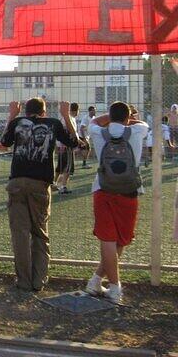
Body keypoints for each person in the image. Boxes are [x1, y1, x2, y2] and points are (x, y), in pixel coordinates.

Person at [0, 98, 78, 291]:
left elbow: (3, 142)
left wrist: (11, 115)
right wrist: (66, 115)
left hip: (17, 182)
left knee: (20, 234)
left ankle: (23, 280)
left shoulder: (18, 123)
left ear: (25, 112)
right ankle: (38, 280)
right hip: (40, 184)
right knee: (40, 233)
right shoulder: (53, 123)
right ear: (43, 112)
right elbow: (74, 142)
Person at [85, 102, 148, 304]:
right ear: (128, 117)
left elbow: (94, 122)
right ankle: (114, 288)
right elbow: (143, 123)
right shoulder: (137, 130)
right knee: (121, 240)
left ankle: (97, 281)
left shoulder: (97, 132)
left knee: (108, 240)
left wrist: (108, 118)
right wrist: (128, 118)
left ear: (110, 116)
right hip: (129, 192)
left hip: (103, 190)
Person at [54, 102, 79, 195]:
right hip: (66, 146)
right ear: (77, 110)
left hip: (62, 146)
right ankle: (62, 187)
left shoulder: (65, 119)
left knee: (60, 167)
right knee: (68, 168)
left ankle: (53, 184)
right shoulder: (69, 119)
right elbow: (67, 133)